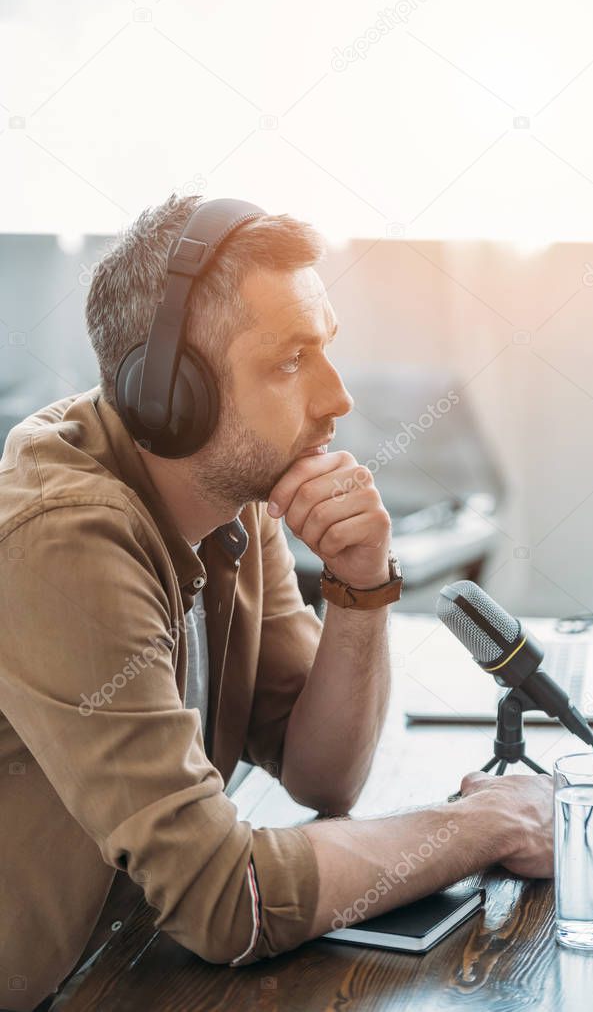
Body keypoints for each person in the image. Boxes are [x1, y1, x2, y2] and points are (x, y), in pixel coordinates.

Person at [0, 195, 553, 1012]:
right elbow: (227, 903)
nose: (337, 398)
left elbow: (322, 773)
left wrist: (361, 584)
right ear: (169, 392)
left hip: (133, 956)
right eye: (291, 360)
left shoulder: (234, 494)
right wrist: (487, 824)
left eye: (324, 348)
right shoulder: (62, 538)